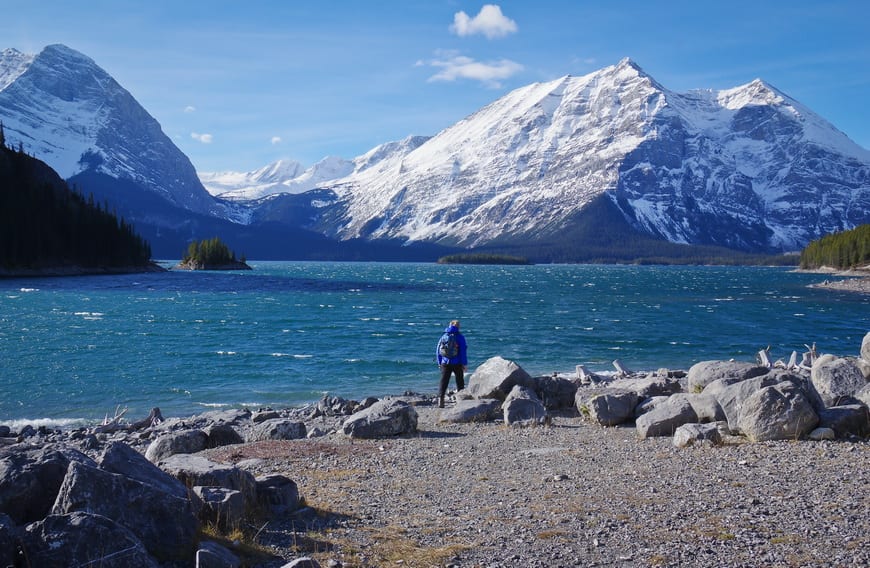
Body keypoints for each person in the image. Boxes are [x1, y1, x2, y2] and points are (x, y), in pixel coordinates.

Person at [436, 319, 468, 408]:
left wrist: (439, 362)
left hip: (445, 362)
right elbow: (462, 352)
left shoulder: (444, 336)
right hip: (457, 363)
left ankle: (441, 400)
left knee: (443, 381)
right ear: (458, 327)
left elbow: (438, 350)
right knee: (460, 381)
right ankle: (461, 401)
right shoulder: (460, 337)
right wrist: (464, 364)